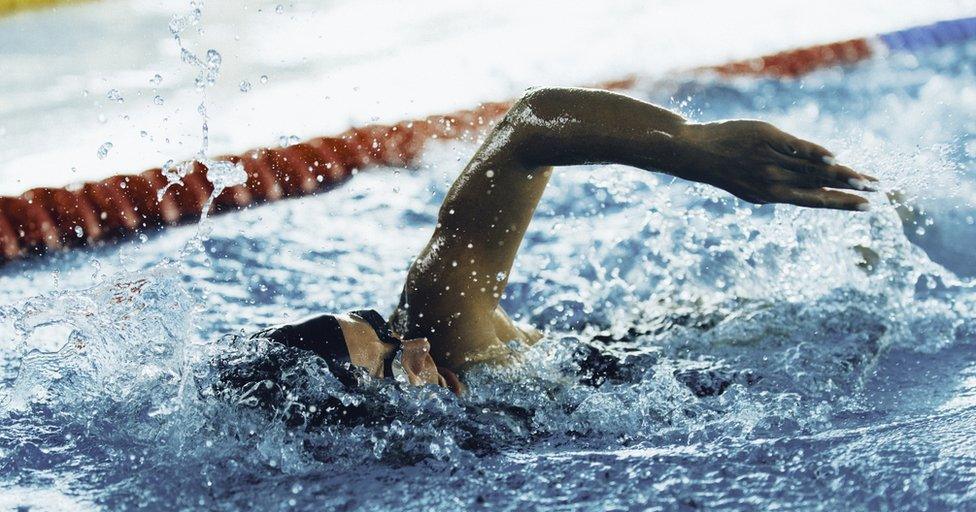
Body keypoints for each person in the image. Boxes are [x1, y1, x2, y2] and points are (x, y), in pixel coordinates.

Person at [243, 87, 876, 397]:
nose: (411, 348)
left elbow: (528, 128)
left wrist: (693, 147)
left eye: (383, 329)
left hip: (637, 357)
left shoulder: (441, 333)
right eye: (389, 367)